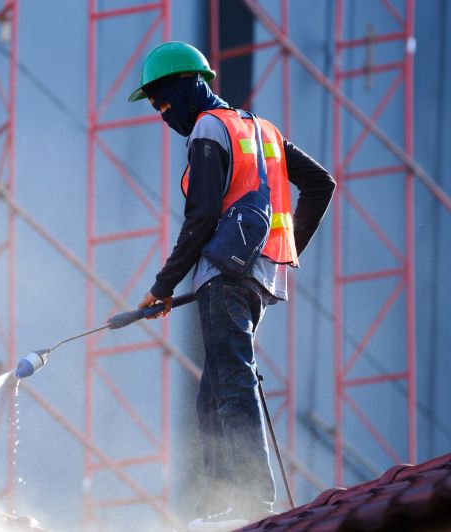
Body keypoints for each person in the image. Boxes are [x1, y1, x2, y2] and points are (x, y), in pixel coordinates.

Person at [129, 42, 335, 530]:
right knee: (216, 388)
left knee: (234, 380)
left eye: (162, 100)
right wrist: (281, 250)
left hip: (225, 275)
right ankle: (223, 501)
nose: (162, 113)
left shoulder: (207, 127)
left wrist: (161, 286)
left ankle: (254, 499)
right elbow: (321, 184)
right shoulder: (262, 131)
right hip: (255, 276)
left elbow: (200, 216)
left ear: (188, 86)